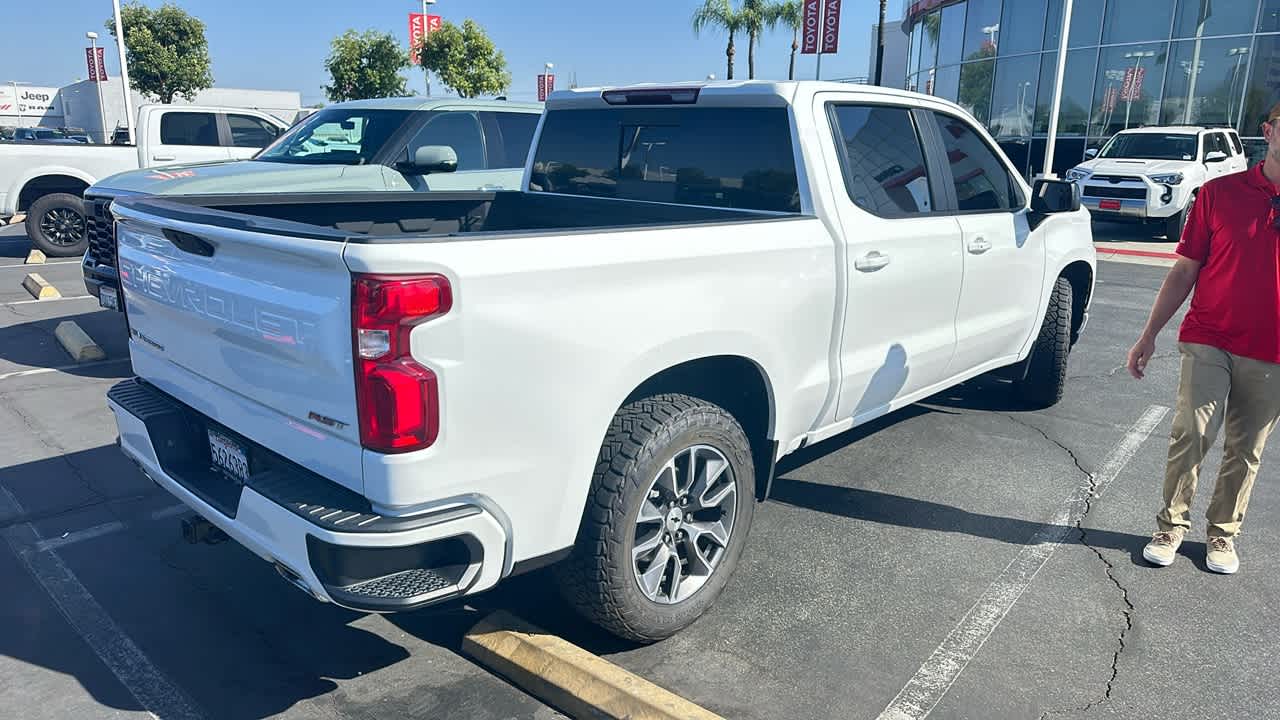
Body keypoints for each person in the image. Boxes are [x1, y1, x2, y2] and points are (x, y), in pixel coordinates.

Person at [1127, 106, 1280, 574]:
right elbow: (1185, 269)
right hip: (1210, 336)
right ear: (1269, 131)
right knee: (1192, 432)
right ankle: (1171, 524)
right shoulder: (1219, 193)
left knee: (1246, 448)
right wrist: (1148, 335)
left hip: (1273, 351)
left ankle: (1222, 534)